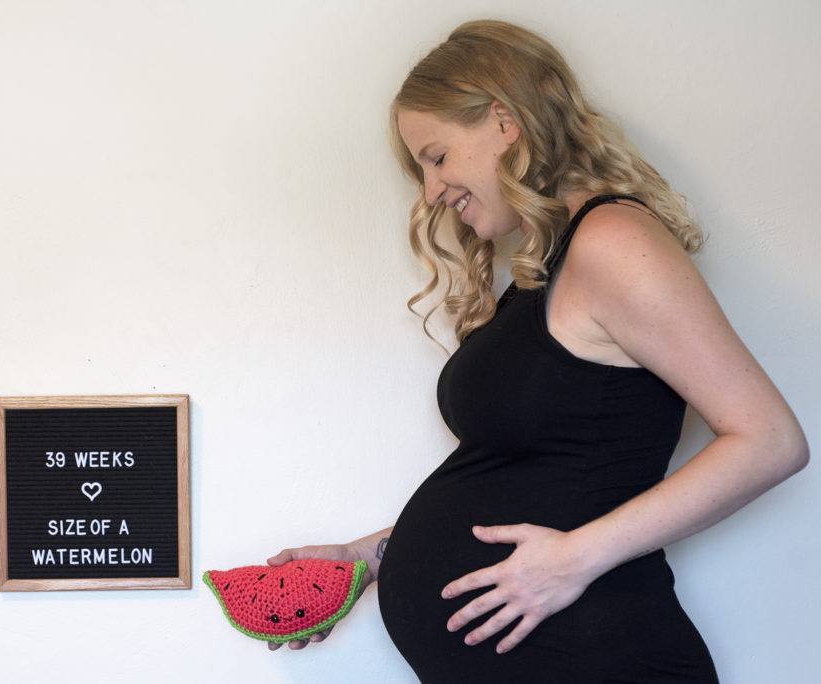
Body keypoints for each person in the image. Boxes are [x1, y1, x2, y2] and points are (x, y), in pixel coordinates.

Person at [267, 19, 808, 683]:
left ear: (504, 121)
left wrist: (574, 559)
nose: (432, 191)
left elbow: (770, 440)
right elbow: (530, 483)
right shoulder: (541, 274)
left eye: (436, 157)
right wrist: (368, 556)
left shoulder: (610, 241)